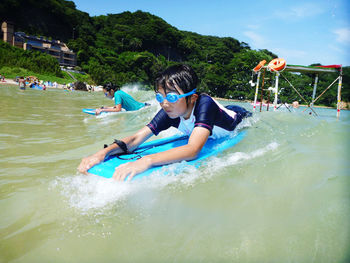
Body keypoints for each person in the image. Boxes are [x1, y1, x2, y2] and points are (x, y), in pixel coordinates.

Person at [78, 64, 251, 181]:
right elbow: (136, 139)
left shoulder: (204, 104)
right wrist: (102, 153)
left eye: (172, 97)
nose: (164, 103)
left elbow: (193, 150)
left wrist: (147, 160)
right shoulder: (169, 111)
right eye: (160, 97)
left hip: (239, 116)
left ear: (192, 98)